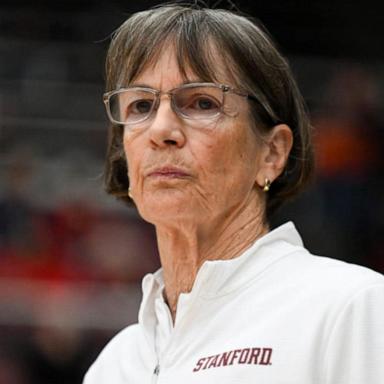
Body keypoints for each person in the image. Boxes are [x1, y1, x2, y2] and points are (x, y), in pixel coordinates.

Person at [83, 4, 384, 384]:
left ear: (272, 153)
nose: (161, 130)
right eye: (141, 105)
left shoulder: (351, 309)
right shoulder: (115, 365)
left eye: (202, 103)